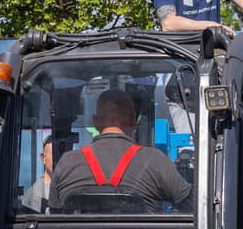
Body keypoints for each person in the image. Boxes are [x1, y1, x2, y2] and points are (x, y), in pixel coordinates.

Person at [48, 88, 192, 213]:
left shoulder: (66, 162)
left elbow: (54, 219)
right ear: (134, 121)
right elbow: (191, 205)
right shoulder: (155, 161)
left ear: (95, 121)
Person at [21, 135, 54, 213]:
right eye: (55, 154)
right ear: (43, 159)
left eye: (66, 155)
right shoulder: (30, 198)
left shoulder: (75, 191)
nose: (61, 159)